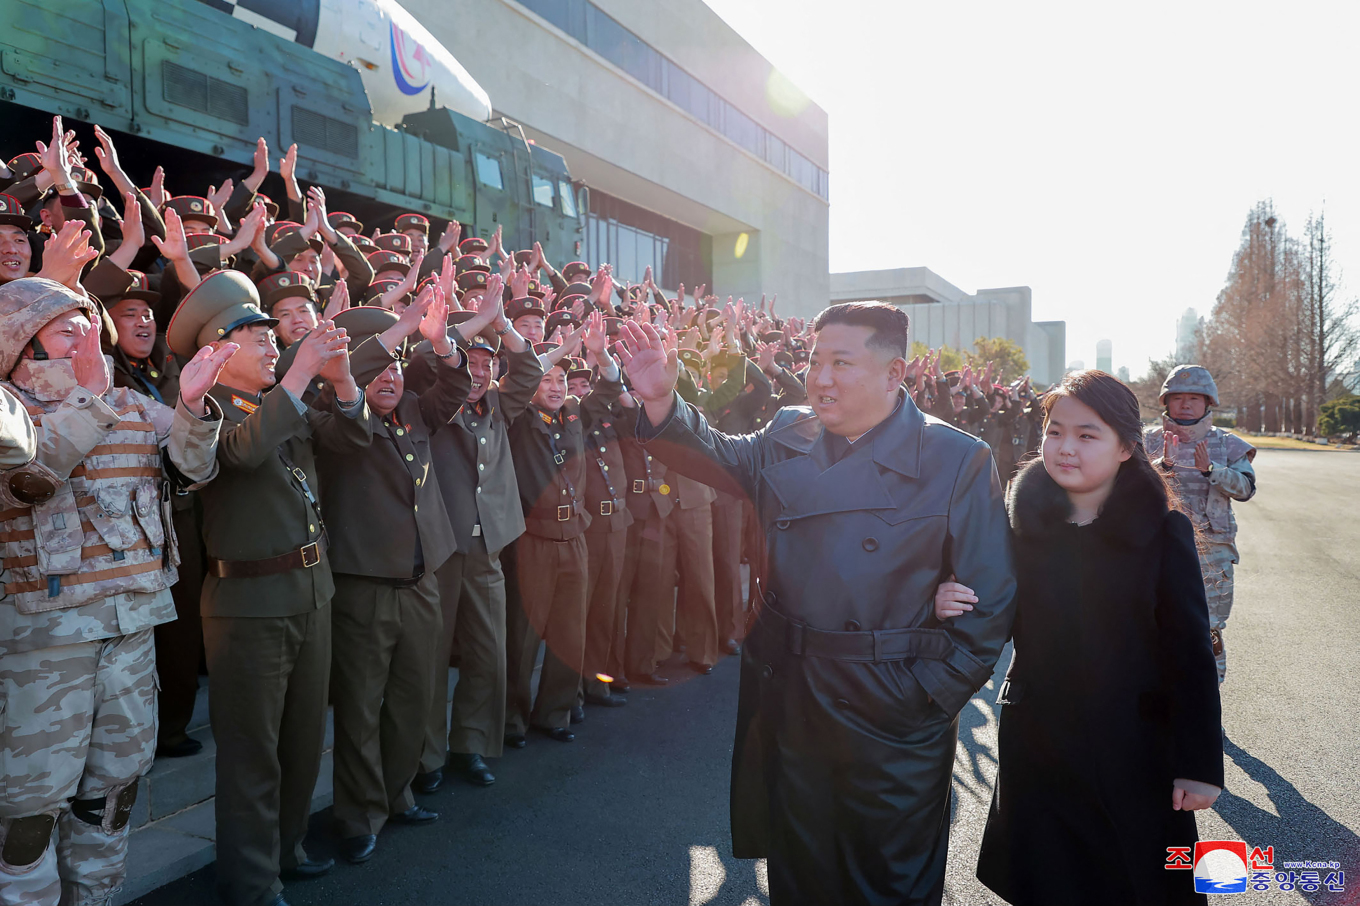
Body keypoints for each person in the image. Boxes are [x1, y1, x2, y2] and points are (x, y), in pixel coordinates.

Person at [618, 303, 1017, 905]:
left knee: (888, 882)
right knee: (802, 877)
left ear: (893, 373)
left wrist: (924, 700)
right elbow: (721, 457)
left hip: (891, 715)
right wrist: (662, 404)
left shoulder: (957, 458)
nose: (820, 377)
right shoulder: (789, 432)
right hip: (793, 699)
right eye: (813, 360)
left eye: (841, 362)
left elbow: (991, 601)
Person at [939, 370, 1224, 906]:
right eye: (1054, 431)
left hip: (1136, 749)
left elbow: (1189, 654)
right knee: (1046, 880)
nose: (1065, 447)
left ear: (1125, 447)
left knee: (1135, 880)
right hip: (1039, 740)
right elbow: (990, 609)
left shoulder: (1161, 531)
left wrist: (1200, 765)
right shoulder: (1019, 523)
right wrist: (947, 597)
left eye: (1087, 435)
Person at [0, 276, 231, 906]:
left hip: (130, 629)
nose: (81, 331)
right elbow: (31, 474)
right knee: (27, 814)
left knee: (112, 795)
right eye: (61, 323)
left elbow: (196, 467)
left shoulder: (128, 403)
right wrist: (96, 402)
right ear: (19, 336)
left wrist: (192, 408)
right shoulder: (11, 407)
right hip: (43, 642)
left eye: (84, 320)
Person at [166, 269, 382, 906]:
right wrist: (299, 371)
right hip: (248, 607)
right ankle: (250, 879)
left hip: (309, 592)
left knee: (299, 740)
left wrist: (341, 377)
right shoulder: (210, 415)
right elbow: (239, 457)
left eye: (270, 336)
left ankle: (285, 851)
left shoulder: (276, 404)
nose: (271, 347)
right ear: (220, 353)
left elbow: (351, 436)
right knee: (252, 753)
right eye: (256, 338)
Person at [311, 294, 479, 865]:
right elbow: (347, 388)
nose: (388, 376)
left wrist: (440, 343)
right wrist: (377, 347)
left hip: (421, 578)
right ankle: (357, 816)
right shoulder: (331, 414)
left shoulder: (412, 408)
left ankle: (396, 792)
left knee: (414, 700)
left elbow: (455, 388)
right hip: (365, 584)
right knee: (361, 707)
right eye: (376, 365)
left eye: (395, 365)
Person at [411, 276, 544, 789]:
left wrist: (502, 322)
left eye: (489, 366)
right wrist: (458, 333)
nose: (482, 373)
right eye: (475, 364)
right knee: (433, 654)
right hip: (443, 549)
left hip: (488, 547)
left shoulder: (499, 409)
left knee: (489, 652)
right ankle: (428, 756)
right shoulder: (435, 404)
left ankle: (472, 744)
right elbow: (425, 357)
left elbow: (528, 368)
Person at [505, 313, 621, 744]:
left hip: (575, 536)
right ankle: (511, 720)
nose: (556, 387)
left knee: (569, 632)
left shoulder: (573, 416)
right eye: (547, 379)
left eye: (562, 380)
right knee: (523, 637)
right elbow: (518, 383)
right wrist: (558, 346)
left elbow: (609, 387)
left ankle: (553, 713)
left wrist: (598, 352)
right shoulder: (516, 417)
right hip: (532, 541)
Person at [1143, 365, 1256, 682]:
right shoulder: (1148, 441)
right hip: (1157, 548)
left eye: (1194, 397)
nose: (1186, 404)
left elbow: (1246, 488)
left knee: (1207, 627)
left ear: (1208, 402)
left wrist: (1212, 471)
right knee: (1154, 624)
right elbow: (1128, 487)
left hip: (1212, 551)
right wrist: (1161, 465)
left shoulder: (1227, 444)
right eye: (1178, 397)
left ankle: (1207, 703)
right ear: (1166, 402)